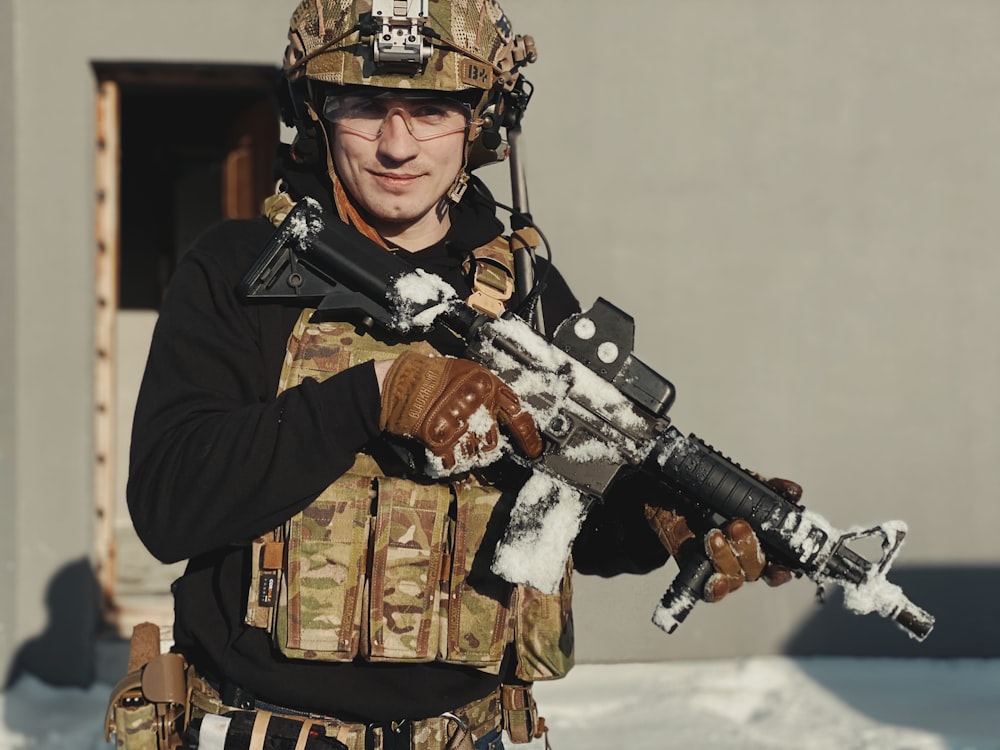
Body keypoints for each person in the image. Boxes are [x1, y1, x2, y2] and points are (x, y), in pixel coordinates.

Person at [124, 2, 794, 748]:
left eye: (433, 108)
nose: (397, 145)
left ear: (481, 124)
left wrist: (661, 523)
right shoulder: (242, 268)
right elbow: (168, 504)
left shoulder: (526, 294)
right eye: (366, 106)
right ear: (314, 115)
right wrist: (373, 396)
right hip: (266, 730)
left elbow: (567, 520)